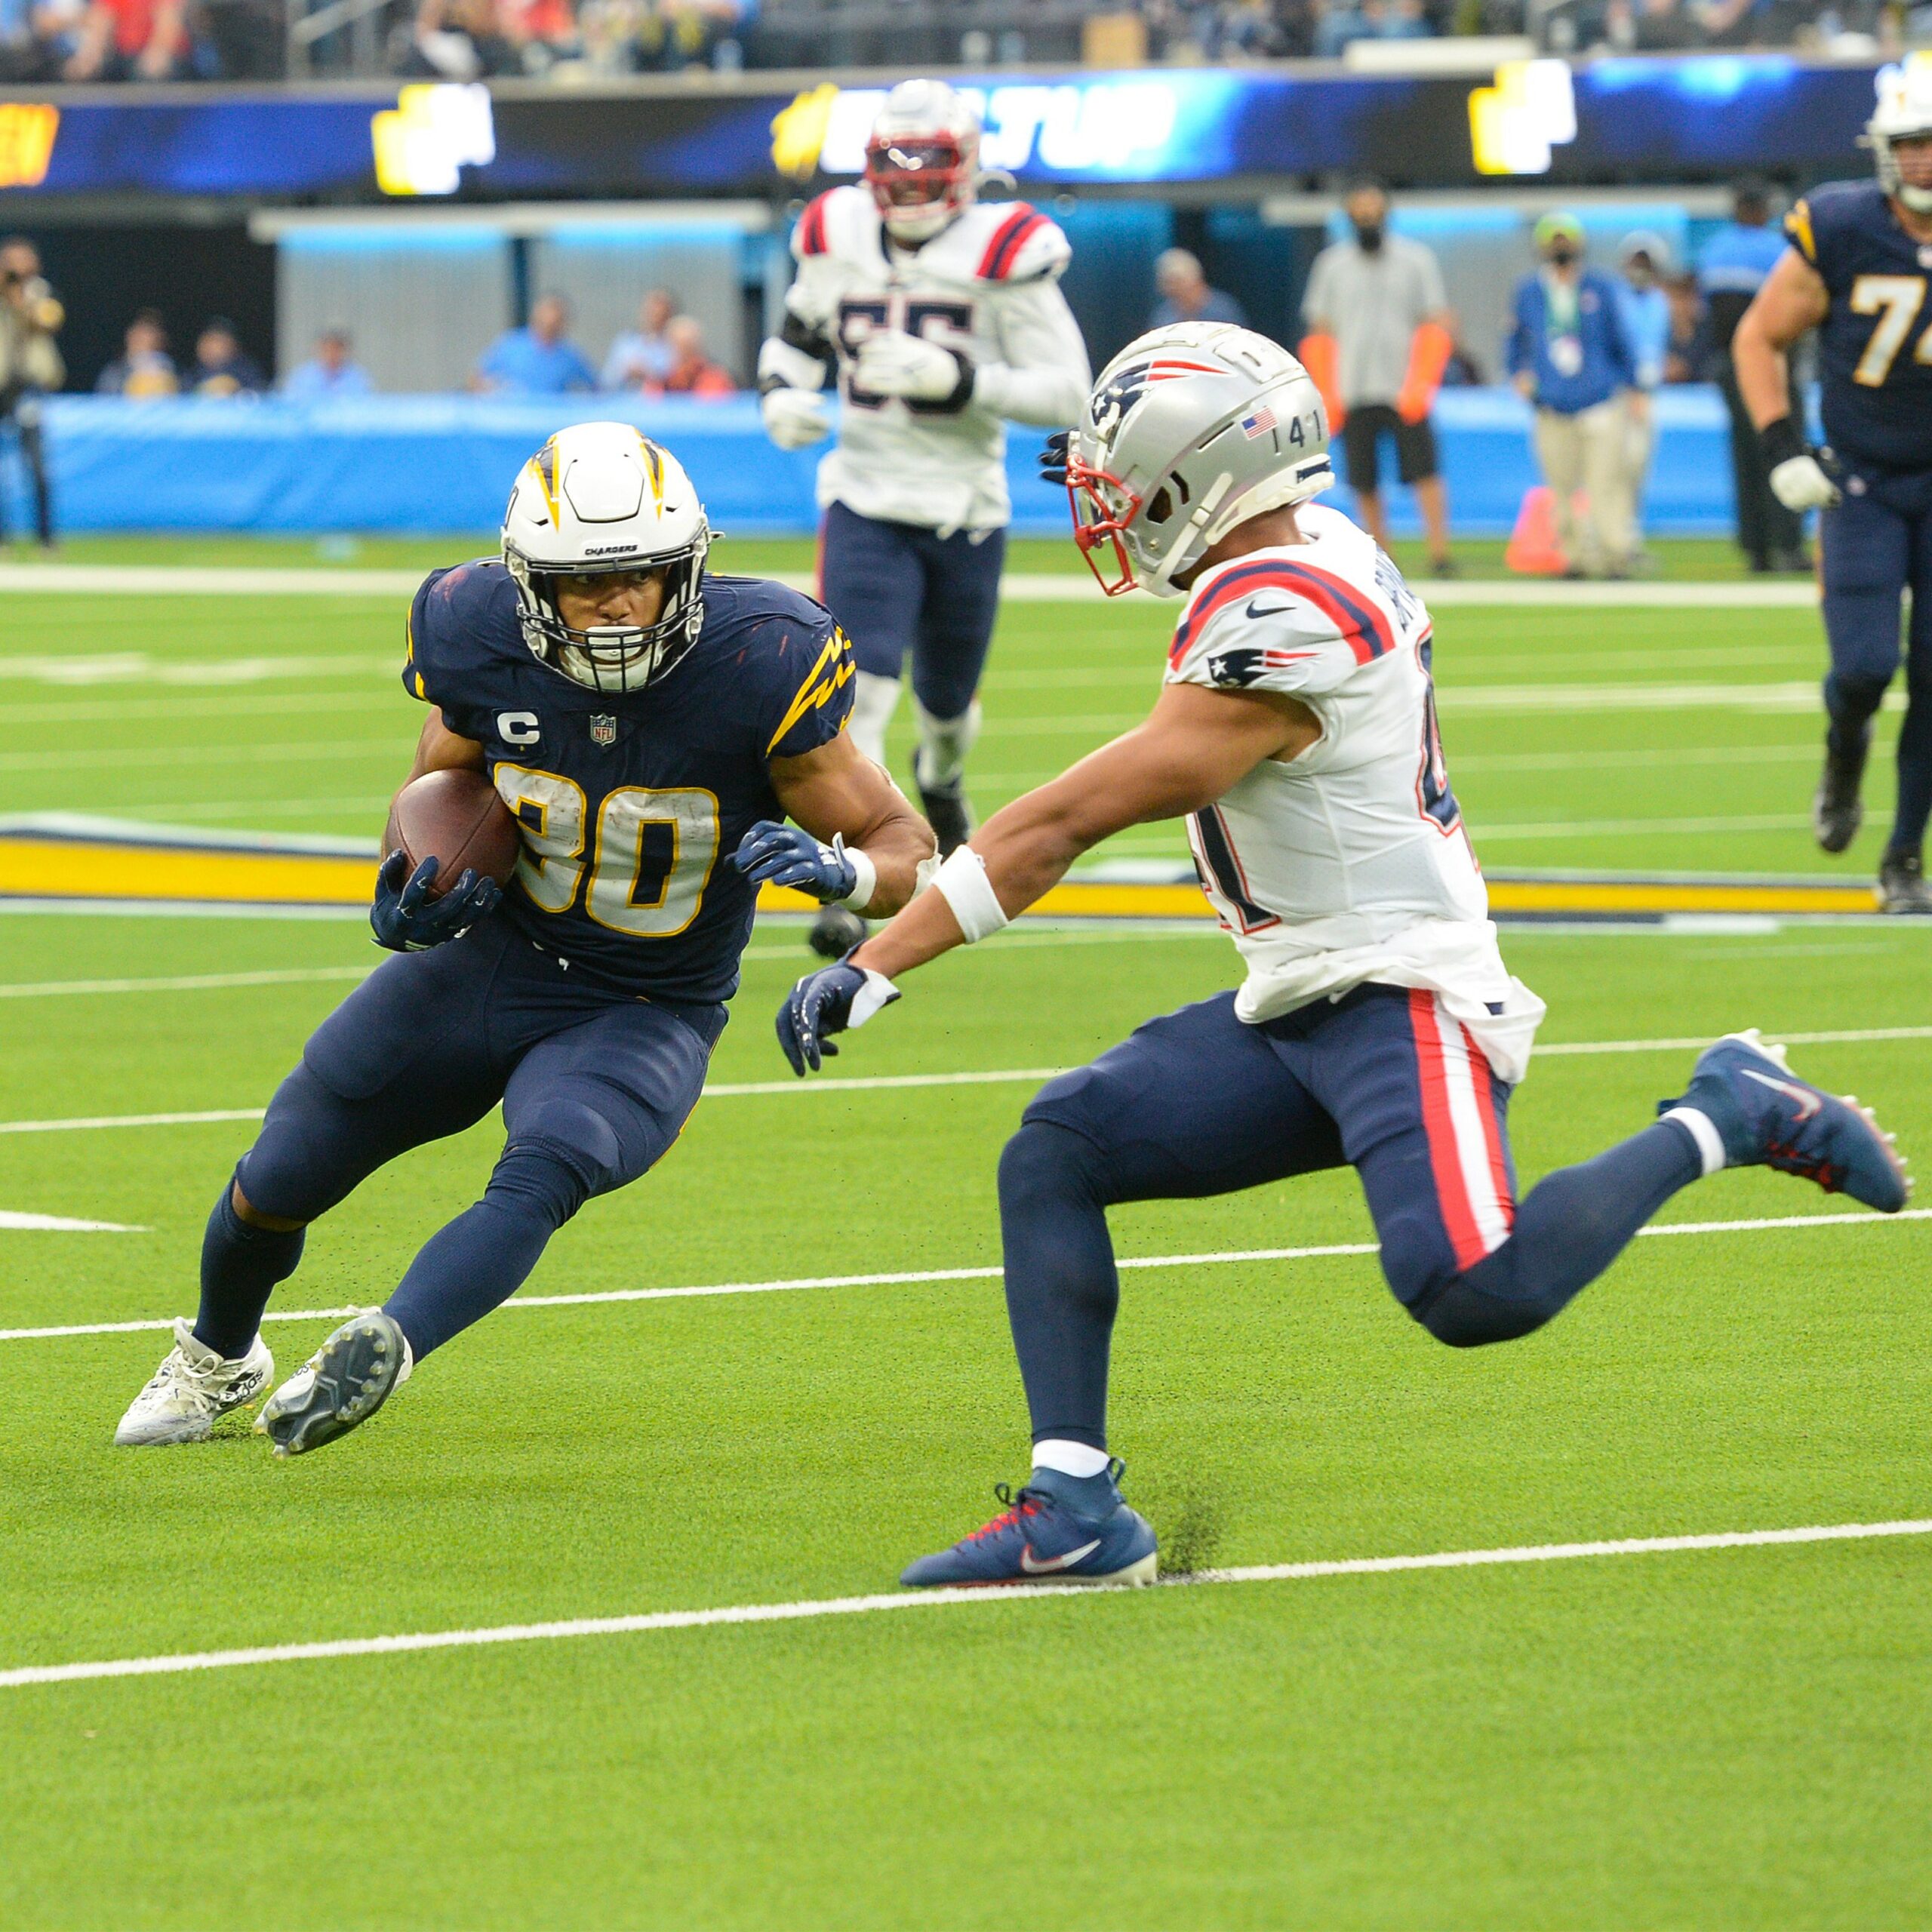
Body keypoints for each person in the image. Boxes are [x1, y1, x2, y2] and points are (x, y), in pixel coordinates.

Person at [774, 323, 1912, 1587]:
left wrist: (881, 959)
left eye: (1121, 469)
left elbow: (1065, 822)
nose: (1107, 499)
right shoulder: (1303, 545)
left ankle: (1724, 1112)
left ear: (1202, 468)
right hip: (1302, 992)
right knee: (1059, 1151)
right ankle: (1077, 1508)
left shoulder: (1287, 614)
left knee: (1473, 1289)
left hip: (1399, 987)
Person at [112, 422, 934, 1457]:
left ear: (687, 565)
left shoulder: (762, 657)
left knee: (547, 1163)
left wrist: (845, 873)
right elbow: (433, 785)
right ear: (525, 585)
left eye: (644, 572)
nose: (620, 601)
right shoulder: (473, 632)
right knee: (279, 1172)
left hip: (646, 1002)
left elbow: (905, 841)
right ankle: (220, 1359)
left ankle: (384, 1344)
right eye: (586, 582)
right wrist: (403, 885)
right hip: (491, 961)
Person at [756, 78, 1090, 958]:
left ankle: (939, 779)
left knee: (946, 706)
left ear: (968, 165)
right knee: (858, 693)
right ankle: (849, 874)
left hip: (966, 506)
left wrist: (960, 378)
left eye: (924, 164)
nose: (904, 184)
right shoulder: (835, 230)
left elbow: (1069, 389)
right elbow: (798, 329)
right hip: (865, 495)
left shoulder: (1007, 249)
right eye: (890, 164)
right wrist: (782, 390)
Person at [1733, 65, 1932, 915]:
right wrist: (1783, 443)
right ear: (1883, 154)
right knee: (1863, 666)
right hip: (1861, 478)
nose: (1923, 162)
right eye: (1910, 145)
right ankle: (1844, 746)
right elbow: (1757, 336)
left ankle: (1901, 860)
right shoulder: (1842, 224)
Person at [1300, 177, 1457, 576]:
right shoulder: (1331, 265)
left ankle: (1440, 553)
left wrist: (1423, 382)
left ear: (1387, 214)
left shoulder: (1415, 260)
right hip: (1354, 388)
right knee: (1364, 479)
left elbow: (1436, 320)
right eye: (1360, 212)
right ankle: (1381, 554)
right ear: (1349, 216)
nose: (1368, 219)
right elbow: (1321, 328)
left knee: (1426, 471)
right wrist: (1327, 391)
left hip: (1405, 387)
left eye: (1374, 212)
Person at [1506, 213, 1640, 580]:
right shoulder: (1530, 291)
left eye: (1566, 240)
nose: (1560, 248)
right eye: (1554, 240)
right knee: (1561, 487)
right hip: (1552, 403)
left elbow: (1620, 340)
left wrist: (1633, 386)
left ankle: (1615, 554)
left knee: (1605, 484)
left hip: (1599, 399)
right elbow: (1516, 343)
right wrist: (1519, 375)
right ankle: (1574, 557)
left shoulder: (1599, 287)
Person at [1701, 179, 1807, 574]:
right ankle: (1789, 546)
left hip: (1729, 366)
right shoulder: (1775, 249)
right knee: (1783, 447)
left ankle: (1756, 551)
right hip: (1771, 363)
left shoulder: (1714, 250)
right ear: (1760, 211)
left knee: (1744, 455)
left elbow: (1708, 317)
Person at [0, 235, 62, 551]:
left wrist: (19, 298)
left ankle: (46, 536)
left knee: (35, 464)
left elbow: (48, 322)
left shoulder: (40, 293)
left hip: (28, 385)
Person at [1615, 231, 1672, 544]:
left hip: (1648, 394)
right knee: (1615, 466)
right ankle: (1610, 534)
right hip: (1619, 394)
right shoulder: (1615, 298)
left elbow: (1655, 348)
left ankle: (1628, 534)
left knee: (1637, 466)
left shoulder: (1659, 302)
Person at [472, 294, 597, 394]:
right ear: (536, 317)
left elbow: (595, 386)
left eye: (556, 323)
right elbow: (476, 378)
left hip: (552, 419)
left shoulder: (570, 356)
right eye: (546, 322)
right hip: (514, 418)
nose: (550, 328)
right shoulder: (511, 345)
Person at [62, 0, 188, 77]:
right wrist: (89, 57)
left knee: (151, 73)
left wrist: (157, 53)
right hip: (124, 53)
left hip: (165, 54)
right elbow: (102, 21)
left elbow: (167, 23)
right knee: (81, 73)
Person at [1147, 247, 1246, 330]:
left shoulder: (1223, 309)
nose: (1172, 289)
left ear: (1195, 280)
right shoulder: (1163, 315)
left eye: (1177, 282)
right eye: (1168, 283)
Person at [601, 288, 676, 391]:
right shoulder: (625, 342)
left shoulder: (674, 346)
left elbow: (677, 381)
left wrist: (648, 374)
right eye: (651, 312)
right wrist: (625, 372)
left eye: (661, 314)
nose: (655, 317)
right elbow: (607, 379)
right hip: (623, 402)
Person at [94, 309, 177, 398]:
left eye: (150, 333)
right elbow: (106, 405)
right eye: (140, 336)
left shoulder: (176, 371)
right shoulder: (113, 375)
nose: (145, 340)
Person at [652, 313, 735, 396]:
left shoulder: (715, 380)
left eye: (687, 348)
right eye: (674, 347)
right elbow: (650, 403)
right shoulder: (658, 383)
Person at [281, 326, 374, 398]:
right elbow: (291, 403)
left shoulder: (357, 376)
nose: (331, 354)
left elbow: (364, 404)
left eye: (336, 349)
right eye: (327, 349)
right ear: (319, 349)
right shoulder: (302, 376)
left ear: (345, 351)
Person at [187, 317, 266, 398]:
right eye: (209, 341)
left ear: (233, 346)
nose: (213, 348)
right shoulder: (193, 371)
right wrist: (204, 389)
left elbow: (261, 393)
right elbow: (184, 394)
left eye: (219, 341)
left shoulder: (247, 370)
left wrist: (236, 389)